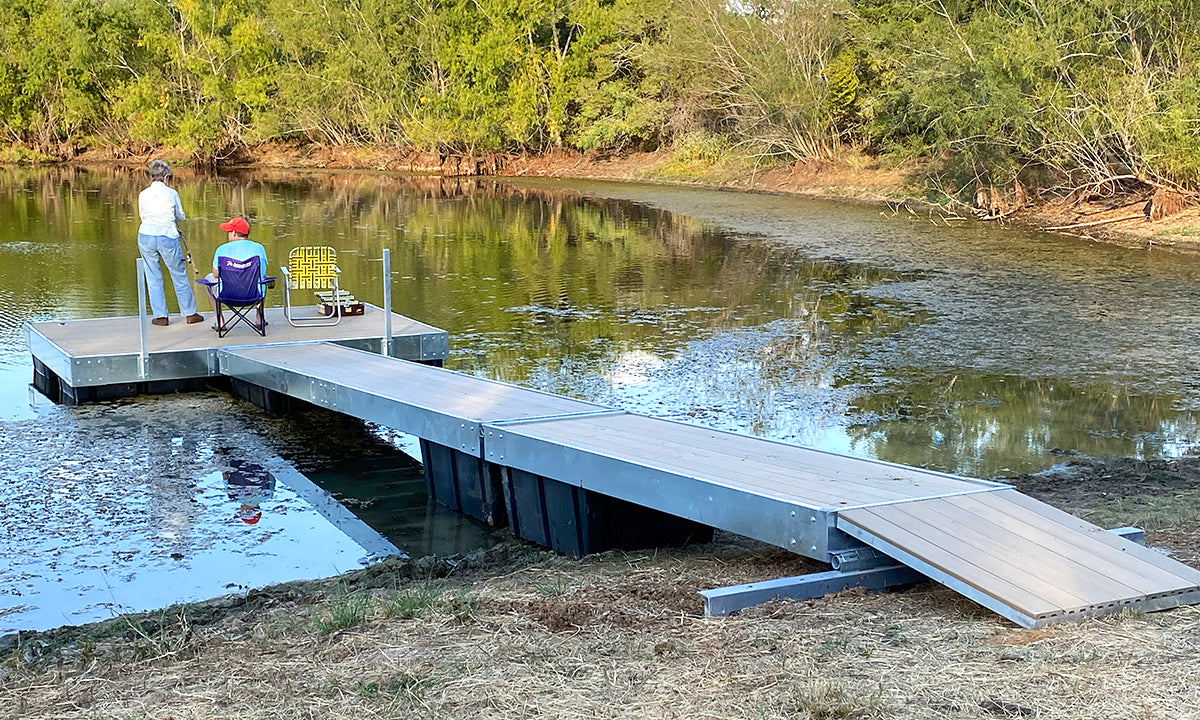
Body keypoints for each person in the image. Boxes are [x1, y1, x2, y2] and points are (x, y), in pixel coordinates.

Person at [137, 159, 203, 326]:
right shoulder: (171, 193)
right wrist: (173, 226)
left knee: (153, 277)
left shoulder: (143, 194)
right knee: (178, 274)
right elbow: (180, 215)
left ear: (152, 176)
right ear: (166, 177)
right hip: (167, 236)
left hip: (145, 235)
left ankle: (161, 316)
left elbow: (144, 216)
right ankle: (189, 313)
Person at [203, 216, 270, 323]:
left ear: (234, 233)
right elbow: (261, 273)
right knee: (263, 279)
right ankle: (259, 318)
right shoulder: (259, 248)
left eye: (229, 231)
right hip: (253, 294)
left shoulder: (222, 249)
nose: (228, 234)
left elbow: (215, 274)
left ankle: (220, 320)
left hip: (227, 294)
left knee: (209, 278)